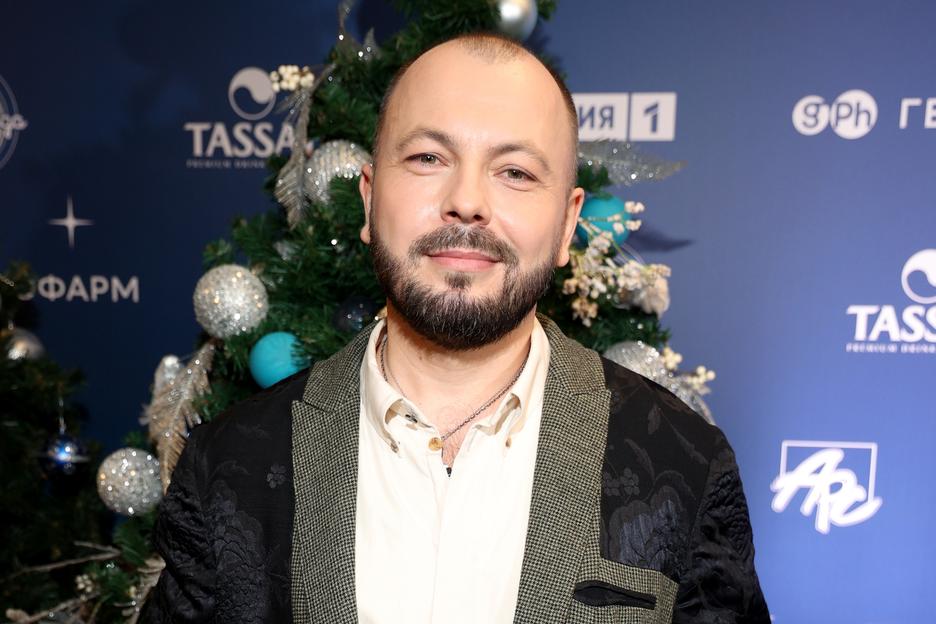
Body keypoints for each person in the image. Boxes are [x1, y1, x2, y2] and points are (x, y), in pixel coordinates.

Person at [142, 32, 770, 624]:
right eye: (427, 158)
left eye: (516, 172)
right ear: (368, 200)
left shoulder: (686, 463)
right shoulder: (228, 465)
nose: (466, 201)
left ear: (566, 223)